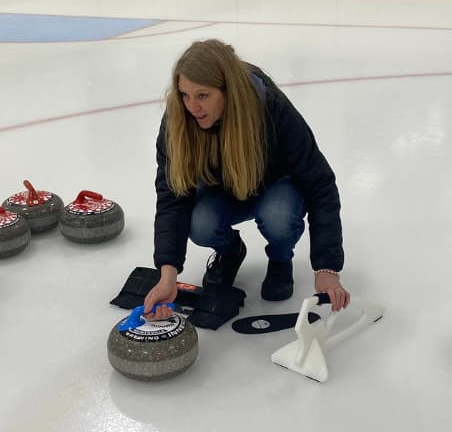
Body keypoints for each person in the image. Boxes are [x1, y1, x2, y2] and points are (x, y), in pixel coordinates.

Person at [143, 39, 350, 318]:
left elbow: (320, 185)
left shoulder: (272, 109)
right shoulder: (179, 118)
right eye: (184, 94)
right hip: (224, 189)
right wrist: (167, 274)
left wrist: (327, 269)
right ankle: (230, 252)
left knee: (278, 217)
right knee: (200, 224)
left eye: (202, 95)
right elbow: (172, 194)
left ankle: (280, 258)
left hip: (276, 187)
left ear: (228, 90)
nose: (192, 106)